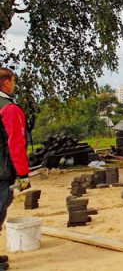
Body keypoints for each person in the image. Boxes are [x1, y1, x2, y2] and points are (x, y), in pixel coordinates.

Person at [0, 68, 30, 270]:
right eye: (13, 81)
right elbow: (15, 143)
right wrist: (23, 174)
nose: (14, 85)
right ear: (6, 82)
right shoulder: (9, 109)